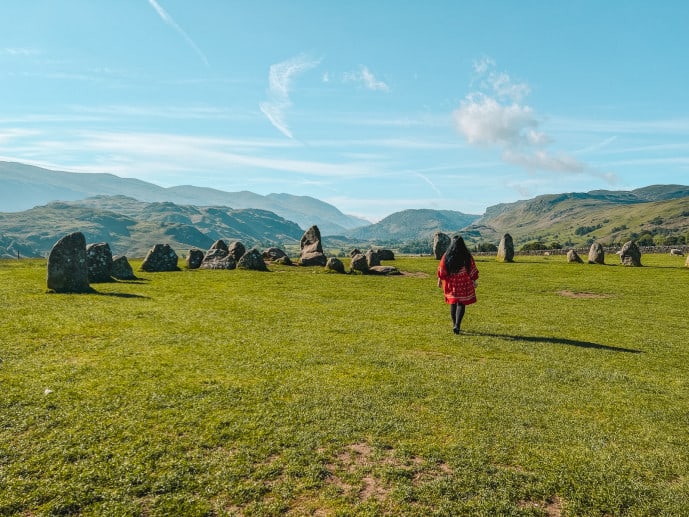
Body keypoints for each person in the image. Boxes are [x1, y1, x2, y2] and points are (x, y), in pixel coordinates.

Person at [437, 236, 479, 334]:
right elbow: (471, 268)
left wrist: (439, 280)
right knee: (461, 303)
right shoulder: (466, 255)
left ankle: (454, 324)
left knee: (453, 302)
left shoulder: (447, 255)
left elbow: (442, 269)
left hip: (451, 283)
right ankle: (457, 325)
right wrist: (473, 280)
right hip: (463, 281)